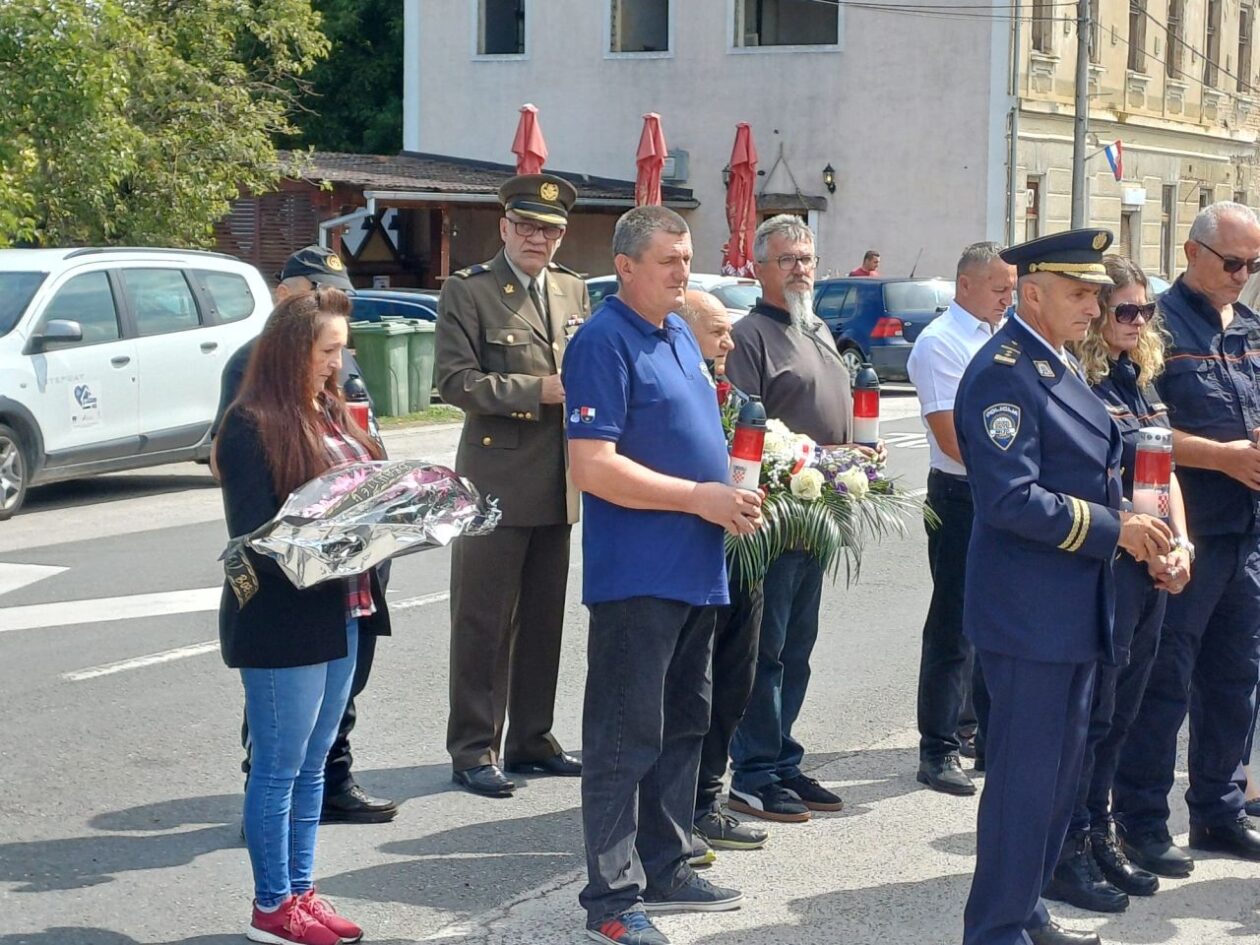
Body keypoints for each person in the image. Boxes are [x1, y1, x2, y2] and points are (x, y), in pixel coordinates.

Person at [955, 228, 1173, 945]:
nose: (1094, 304)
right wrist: (1118, 530)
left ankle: (1026, 911)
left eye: (1096, 293)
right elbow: (1011, 499)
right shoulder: (1004, 371)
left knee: (1056, 783)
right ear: (1033, 291)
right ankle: (995, 929)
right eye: (1080, 292)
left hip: (1073, 608)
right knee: (1025, 783)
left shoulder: (1055, 364)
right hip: (1029, 617)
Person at [566, 206, 763, 945]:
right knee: (624, 737)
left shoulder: (679, 331)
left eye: (686, 258)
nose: (684, 271)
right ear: (625, 265)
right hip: (638, 575)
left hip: (697, 566)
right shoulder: (601, 341)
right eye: (667, 260)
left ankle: (668, 861)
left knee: (685, 722)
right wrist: (698, 496)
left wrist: (733, 488)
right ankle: (611, 901)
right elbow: (594, 466)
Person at [215, 287, 390, 945]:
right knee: (279, 765)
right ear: (292, 351)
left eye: (341, 350)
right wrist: (345, 528)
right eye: (327, 350)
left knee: (316, 761)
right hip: (282, 618)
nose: (337, 364)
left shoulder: (330, 413)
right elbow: (258, 536)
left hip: (343, 607)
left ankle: (301, 890)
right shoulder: (250, 423)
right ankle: (271, 907)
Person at [1042, 256, 1191, 913]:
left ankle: (1101, 833)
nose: (1136, 321)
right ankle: (1069, 846)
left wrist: (1180, 543)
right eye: (1123, 310)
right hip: (1105, 566)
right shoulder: (1081, 381)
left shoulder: (1137, 378)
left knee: (1125, 710)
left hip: (1150, 564)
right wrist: (1137, 535)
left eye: (1145, 311)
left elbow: (1166, 469)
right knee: (1094, 715)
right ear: (1098, 312)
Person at [1114, 200, 1260, 874]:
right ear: (1194, 253)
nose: (1243, 274)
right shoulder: (1156, 326)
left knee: (1235, 681)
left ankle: (1218, 811)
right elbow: (1144, 428)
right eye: (1233, 262)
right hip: (1184, 531)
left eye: (1254, 264)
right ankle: (1141, 821)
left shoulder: (1252, 326)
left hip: (1247, 535)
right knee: (1164, 683)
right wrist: (1227, 455)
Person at [434, 173, 591, 798]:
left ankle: (532, 737)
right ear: (504, 227)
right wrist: (537, 390)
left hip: (559, 479)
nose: (538, 239)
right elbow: (454, 382)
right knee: (483, 619)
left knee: (543, 619)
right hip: (495, 479)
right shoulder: (469, 291)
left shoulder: (573, 289)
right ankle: (474, 747)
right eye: (526, 226)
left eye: (550, 230)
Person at [723, 214, 883, 823]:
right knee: (765, 650)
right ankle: (755, 770)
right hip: (776, 517)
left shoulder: (814, 327)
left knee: (798, 646)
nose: (800, 269)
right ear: (759, 267)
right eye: (787, 259)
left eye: (807, 259)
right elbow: (746, 430)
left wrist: (859, 454)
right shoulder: (748, 337)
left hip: (820, 514)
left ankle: (783, 757)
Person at [905, 242, 1013, 797]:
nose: (1007, 298)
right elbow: (952, 438)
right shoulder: (940, 343)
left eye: (1011, 288)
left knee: (997, 621)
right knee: (953, 622)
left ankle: (987, 737)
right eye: (998, 288)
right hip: (961, 493)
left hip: (1001, 493)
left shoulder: (1003, 337)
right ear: (965, 285)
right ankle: (938, 747)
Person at [678, 290, 769, 855]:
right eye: (716, 331)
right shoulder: (676, 393)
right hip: (691, 560)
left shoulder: (734, 395)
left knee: (735, 681)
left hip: (741, 558)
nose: (729, 342)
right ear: (685, 332)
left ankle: (708, 799)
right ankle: (677, 809)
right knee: (691, 691)